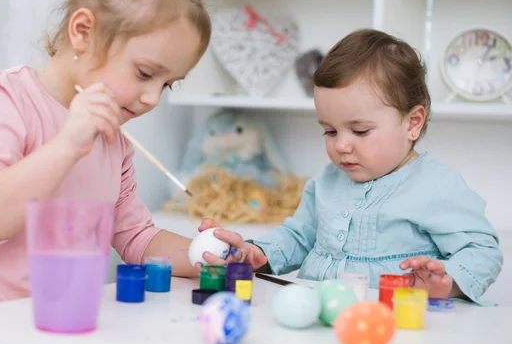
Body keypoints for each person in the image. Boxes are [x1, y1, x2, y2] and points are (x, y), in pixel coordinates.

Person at [0, 0, 216, 315]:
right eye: (144, 72)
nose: (152, 98)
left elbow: (137, 237)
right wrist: (67, 145)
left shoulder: (113, 141)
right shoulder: (2, 98)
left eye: (167, 84)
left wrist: (207, 256)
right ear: (83, 31)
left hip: (52, 325)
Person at [199, 29, 504, 305]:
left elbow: (482, 252)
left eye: (359, 131)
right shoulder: (327, 181)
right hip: (320, 316)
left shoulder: (437, 185)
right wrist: (258, 254)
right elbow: (299, 236)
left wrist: (447, 283)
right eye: (330, 131)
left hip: (393, 325)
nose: (341, 145)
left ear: (413, 123)